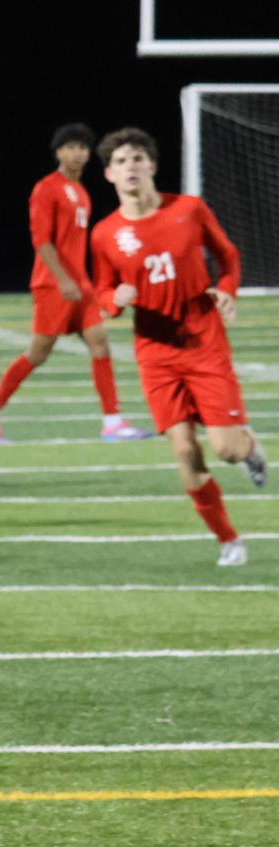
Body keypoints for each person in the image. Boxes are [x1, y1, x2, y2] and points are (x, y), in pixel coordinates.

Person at [90, 127, 267, 566]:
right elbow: (102, 291)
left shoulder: (189, 209)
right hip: (155, 354)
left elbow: (228, 256)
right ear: (109, 175)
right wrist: (114, 300)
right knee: (185, 450)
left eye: (136, 158)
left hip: (204, 344)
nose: (129, 166)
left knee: (225, 450)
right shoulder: (105, 234)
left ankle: (249, 448)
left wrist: (227, 288)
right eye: (119, 161)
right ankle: (228, 540)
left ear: (152, 165)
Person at [0, 124, 148, 444]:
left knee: (100, 344)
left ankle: (112, 422)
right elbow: (42, 241)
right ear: (58, 152)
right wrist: (63, 279)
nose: (77, 153)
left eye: (82, 147)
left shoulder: (80, 192)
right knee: (38, 353)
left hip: (80, 285)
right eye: (70, 147)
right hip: (53, 285)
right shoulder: (46, 188)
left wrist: (83, 281)